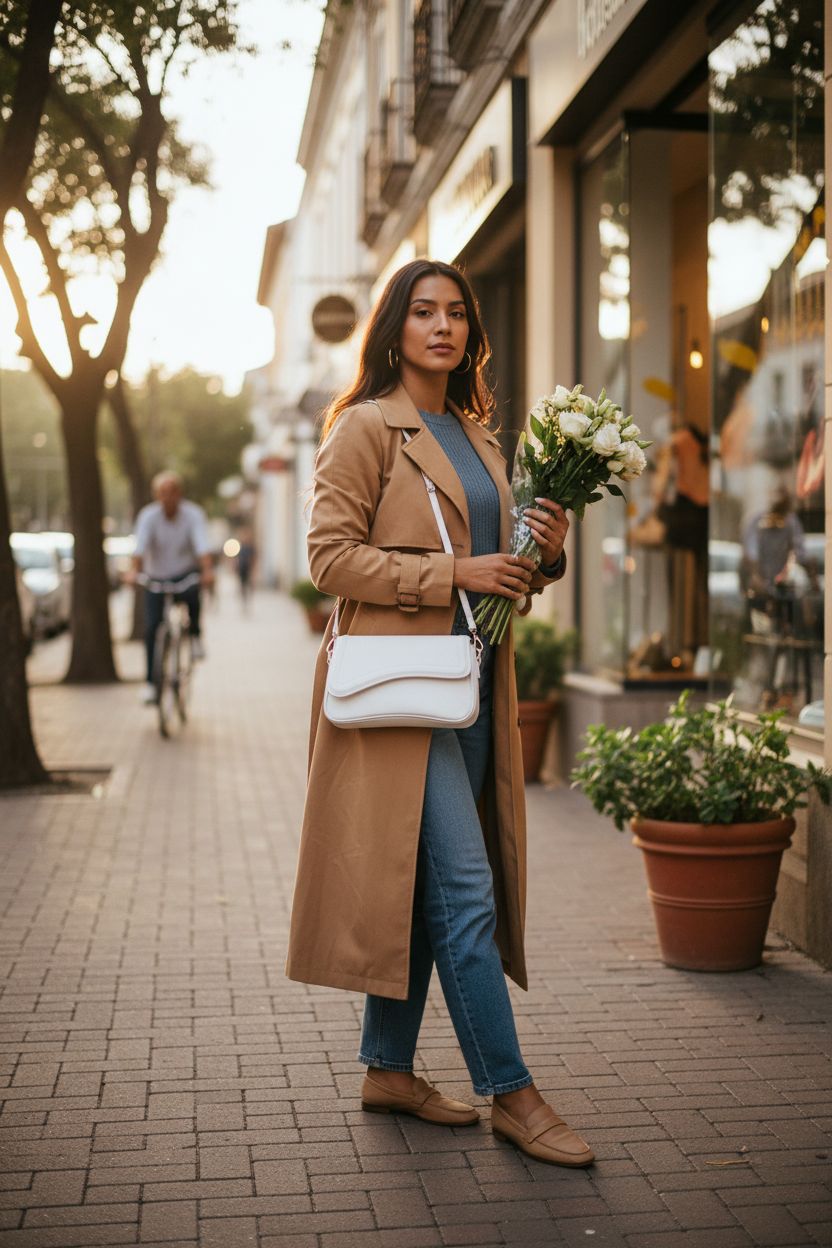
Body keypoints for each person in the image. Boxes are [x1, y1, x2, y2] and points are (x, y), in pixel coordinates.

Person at [285, 259, 594, 1168]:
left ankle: (389, 1068)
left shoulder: (479, 437)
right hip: (399, 695)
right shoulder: (365, 428)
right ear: (394, 329)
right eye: (423, 311)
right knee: (465, 888)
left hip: (470, 685)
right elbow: (329, 559)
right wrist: (452, 572)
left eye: (456, 312)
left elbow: (503, 576)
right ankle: (513, 1093)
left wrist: (545, 554)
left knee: (419, 886)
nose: (443, 326)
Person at [130, 471, 215, 704]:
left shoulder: (193, 514)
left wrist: (207, 571)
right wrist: (134, 572)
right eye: (163, 493)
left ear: (180, 493)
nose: (168, 497)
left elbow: (202, 546)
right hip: (156, 576)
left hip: (183, 573)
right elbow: (139, 548)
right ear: (156, 495)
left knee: (193, 594)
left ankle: (195, 636)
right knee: (151, 629)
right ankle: (150, 683)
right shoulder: (148, 516)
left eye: (172, 492)